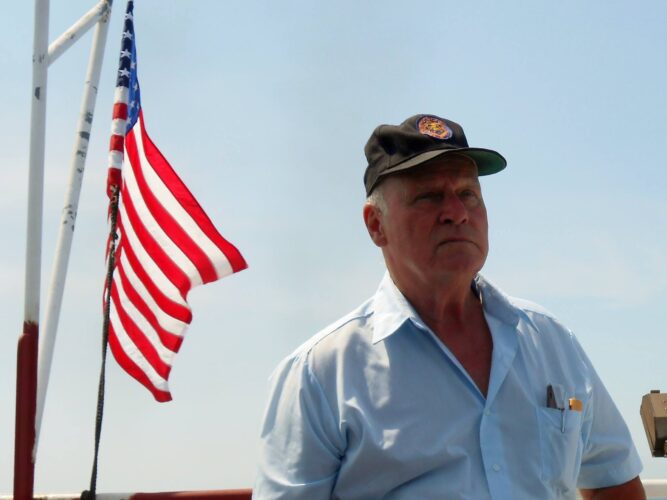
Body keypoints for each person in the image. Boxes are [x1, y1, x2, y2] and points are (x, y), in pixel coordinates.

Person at [253, 114, 645, 499]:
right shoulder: (320, 376)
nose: (456, 212)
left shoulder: (552, 343)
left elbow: (612, 481)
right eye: (429, 196)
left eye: (468, 194)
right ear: (376, 224)